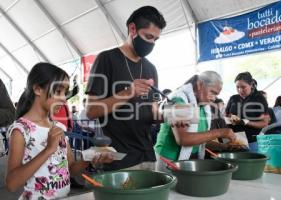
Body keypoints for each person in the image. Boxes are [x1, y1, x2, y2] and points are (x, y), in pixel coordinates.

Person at [5, 63, 113, 199]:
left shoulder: (58, 127)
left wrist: (91, 158)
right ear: (38, 89)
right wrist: (48, 150)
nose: (63, 98)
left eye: (65, 92)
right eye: (58, 92)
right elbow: (11, 184)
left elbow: (71, 169)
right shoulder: (21, 130)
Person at [85, 6, 166, 171]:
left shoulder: (151, 68)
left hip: (148, 155)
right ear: (132, 29)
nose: (151, 43)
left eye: (155, 40)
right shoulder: (106, 59)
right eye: (148, 36)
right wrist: (128, 93)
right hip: (118, 159)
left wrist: (170, 117)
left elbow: (153, 112)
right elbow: (91, 111)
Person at [155, 71, 236, 172]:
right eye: (212, 92)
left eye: (216, 95)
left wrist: (222, 146)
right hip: (170, 160)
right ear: (200, 84)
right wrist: (221, 132)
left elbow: (199, 139)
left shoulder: (202, 105)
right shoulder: (179, 100)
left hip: (189, 159)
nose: (214, 98)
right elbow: (183, 139)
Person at [225, 72, 269, 152]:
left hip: (251, 142)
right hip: (233, 140)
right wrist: (230, 118)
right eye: (237, 87)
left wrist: (245, 122)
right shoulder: (233, 98)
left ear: (251, 85)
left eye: (243, 87)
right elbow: (226, 115)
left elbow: (264, 123)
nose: (240, 90)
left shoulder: (259, 99)